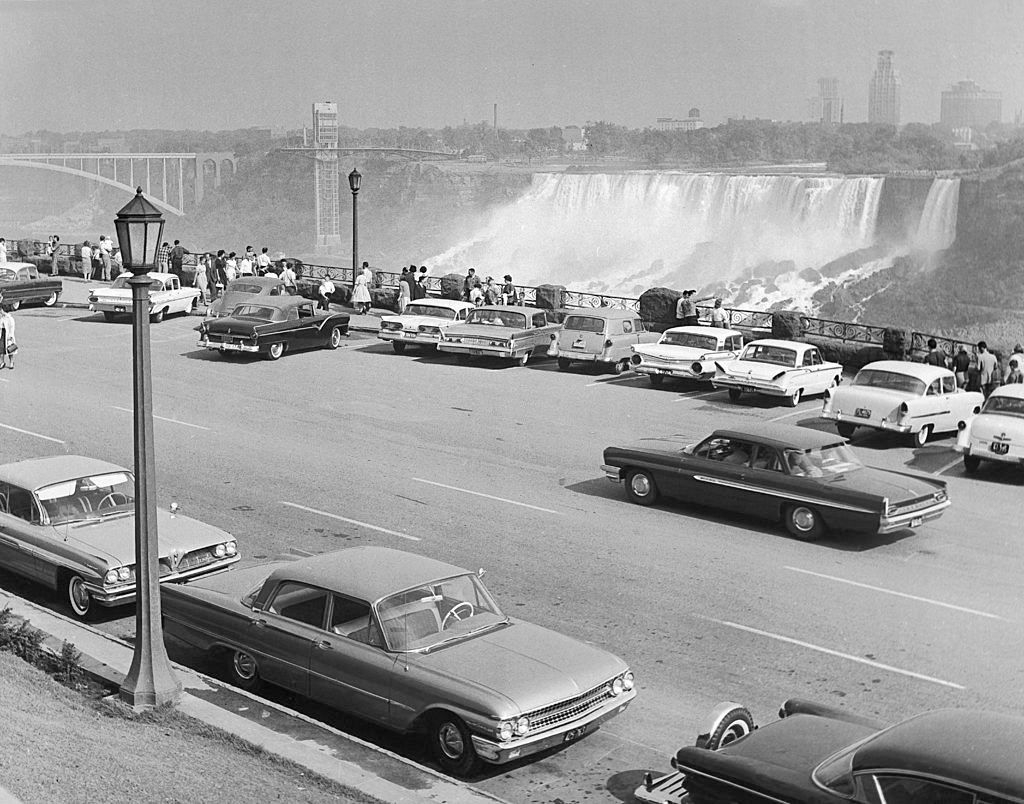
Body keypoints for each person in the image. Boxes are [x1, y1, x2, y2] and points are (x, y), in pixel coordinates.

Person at [0, 295, 15, 370]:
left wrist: (11, 336)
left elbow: (12, 328)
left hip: (8, 335)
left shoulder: (9, 318)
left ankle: (11, 362)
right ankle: (2, 362)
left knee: (10, 349)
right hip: (2, 333)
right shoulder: (1, 317)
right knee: (1, 349)